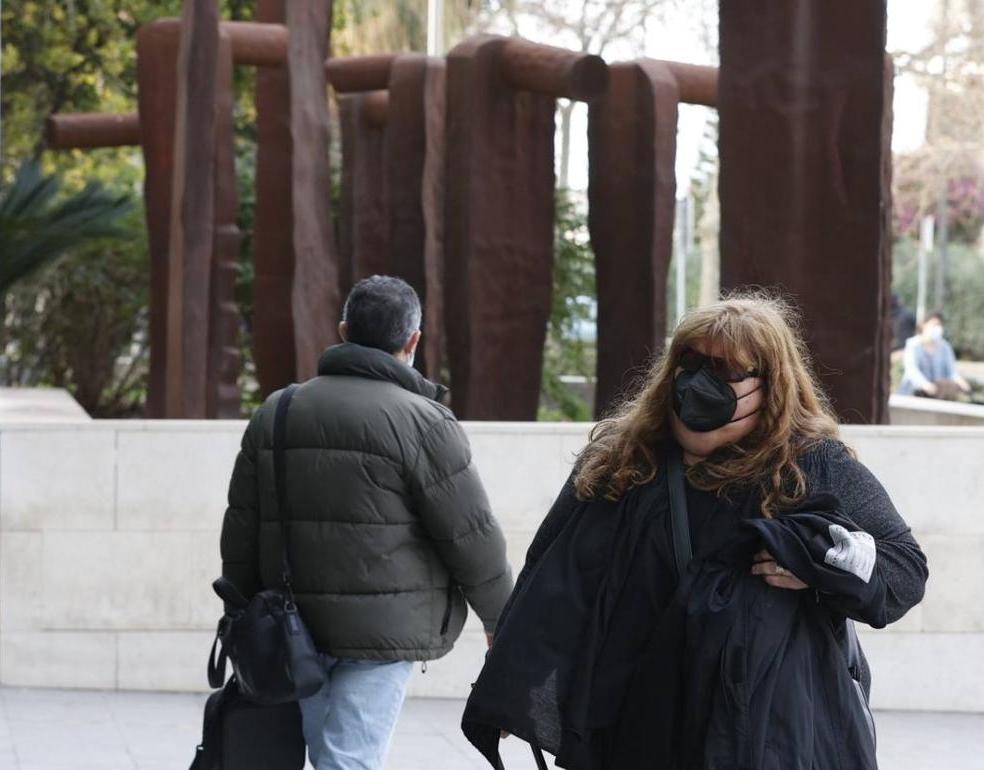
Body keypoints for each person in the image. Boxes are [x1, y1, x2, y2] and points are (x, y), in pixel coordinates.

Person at [463, 294, 928, 769]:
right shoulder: (621, 457)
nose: (702, 381)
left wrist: (814, 564)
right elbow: (549, 565)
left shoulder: (810, 465)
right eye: (691, 361)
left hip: (752, 730)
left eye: (727, 371)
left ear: (772, 386)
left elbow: (905, 569)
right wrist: (511, 679)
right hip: (630, 723)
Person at [219, 275, 513, 770]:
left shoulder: (277, 411)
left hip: (293, 626)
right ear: (412, 341)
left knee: (331, 756)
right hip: (382, 633)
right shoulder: (424, 422)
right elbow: (471, 538)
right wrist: (501, 624)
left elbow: (242, 527)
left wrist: (243, 611)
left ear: (342, 330)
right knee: (348, 760)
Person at [897, 311, 971, 399]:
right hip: (913, 394)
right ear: (924, 325)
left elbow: (951, 371)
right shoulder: (913, 345)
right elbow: (912, 370)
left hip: (937, 395)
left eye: (939, 325)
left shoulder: (945, 347)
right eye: (934, 324)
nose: (937, 328)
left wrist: (960, 382)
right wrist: (925, 385)